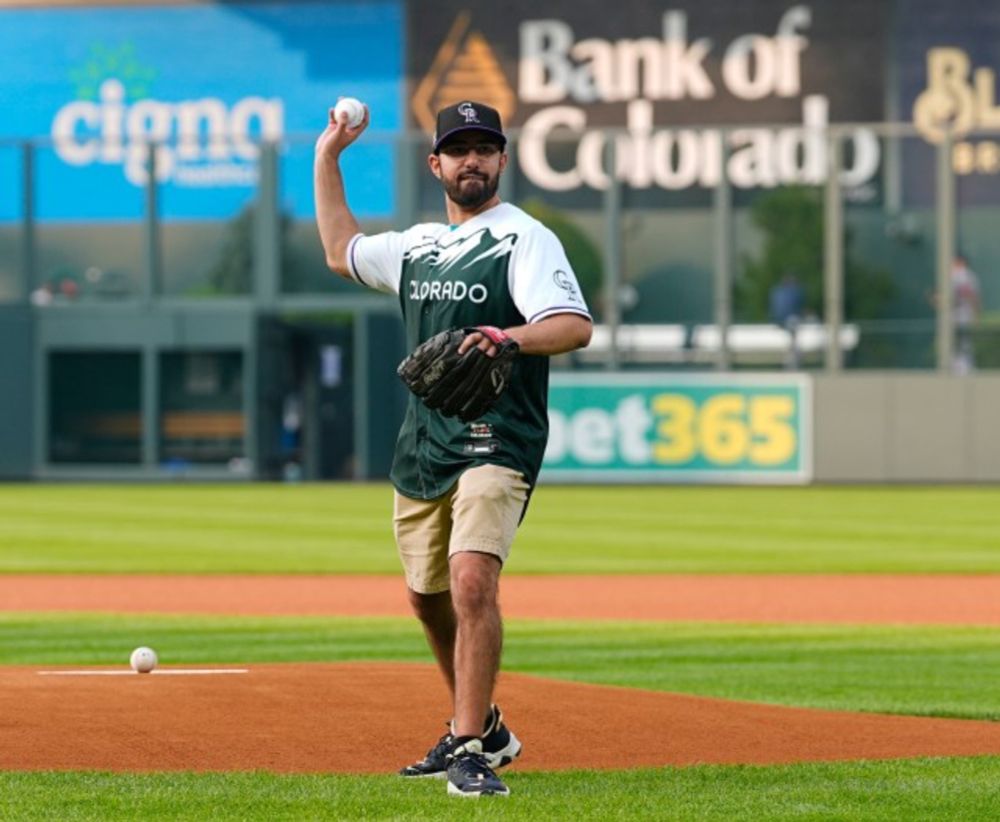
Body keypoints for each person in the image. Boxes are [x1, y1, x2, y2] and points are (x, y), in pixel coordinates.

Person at [314, 100, 592, 797]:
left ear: (502, 160)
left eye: (485, 148)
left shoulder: (524, 240)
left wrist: (507, 337)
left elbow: (570, 325)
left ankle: (470, 747)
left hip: (499, 437)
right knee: (427, 597)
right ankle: (485, 723)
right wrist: (328, 156)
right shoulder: (416, 248)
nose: (472, 159)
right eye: (458, 148)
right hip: (423, 444)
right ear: (435, 163)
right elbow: (339, 248)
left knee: (472, 580)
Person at [951, 254, 981, 374]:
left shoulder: (964, 275)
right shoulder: (961, 275)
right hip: (958, 314)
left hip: (962, 314)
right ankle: (961, 367)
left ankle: (963, 368)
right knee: (961, 343)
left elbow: (971, 295)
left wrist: (976, 314)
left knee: (963, 342)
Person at [769, 272, 805, 369]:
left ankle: (790, 360)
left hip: (781, 319)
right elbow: (797, 307)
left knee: (792, 340)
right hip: (790, 319)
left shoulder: (777, 291)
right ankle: (792, 362)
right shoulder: (794, 292)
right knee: (793, 339)